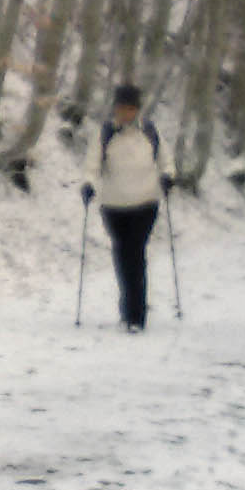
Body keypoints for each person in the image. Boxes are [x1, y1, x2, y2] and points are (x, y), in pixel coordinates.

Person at [81, 83, 173, 332]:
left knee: (135, 252)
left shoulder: (150, 132)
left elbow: (166, 160)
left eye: (130, 108)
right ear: (115, 108)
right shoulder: (105, 134)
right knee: (122, 255)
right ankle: (127, 308)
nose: (126, 113)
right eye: (122, 108)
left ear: (137, 109)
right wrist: (88, 184)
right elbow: (92, 164)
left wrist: (167, 176)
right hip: (113, 205)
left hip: (145, 202)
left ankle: (136, 315)